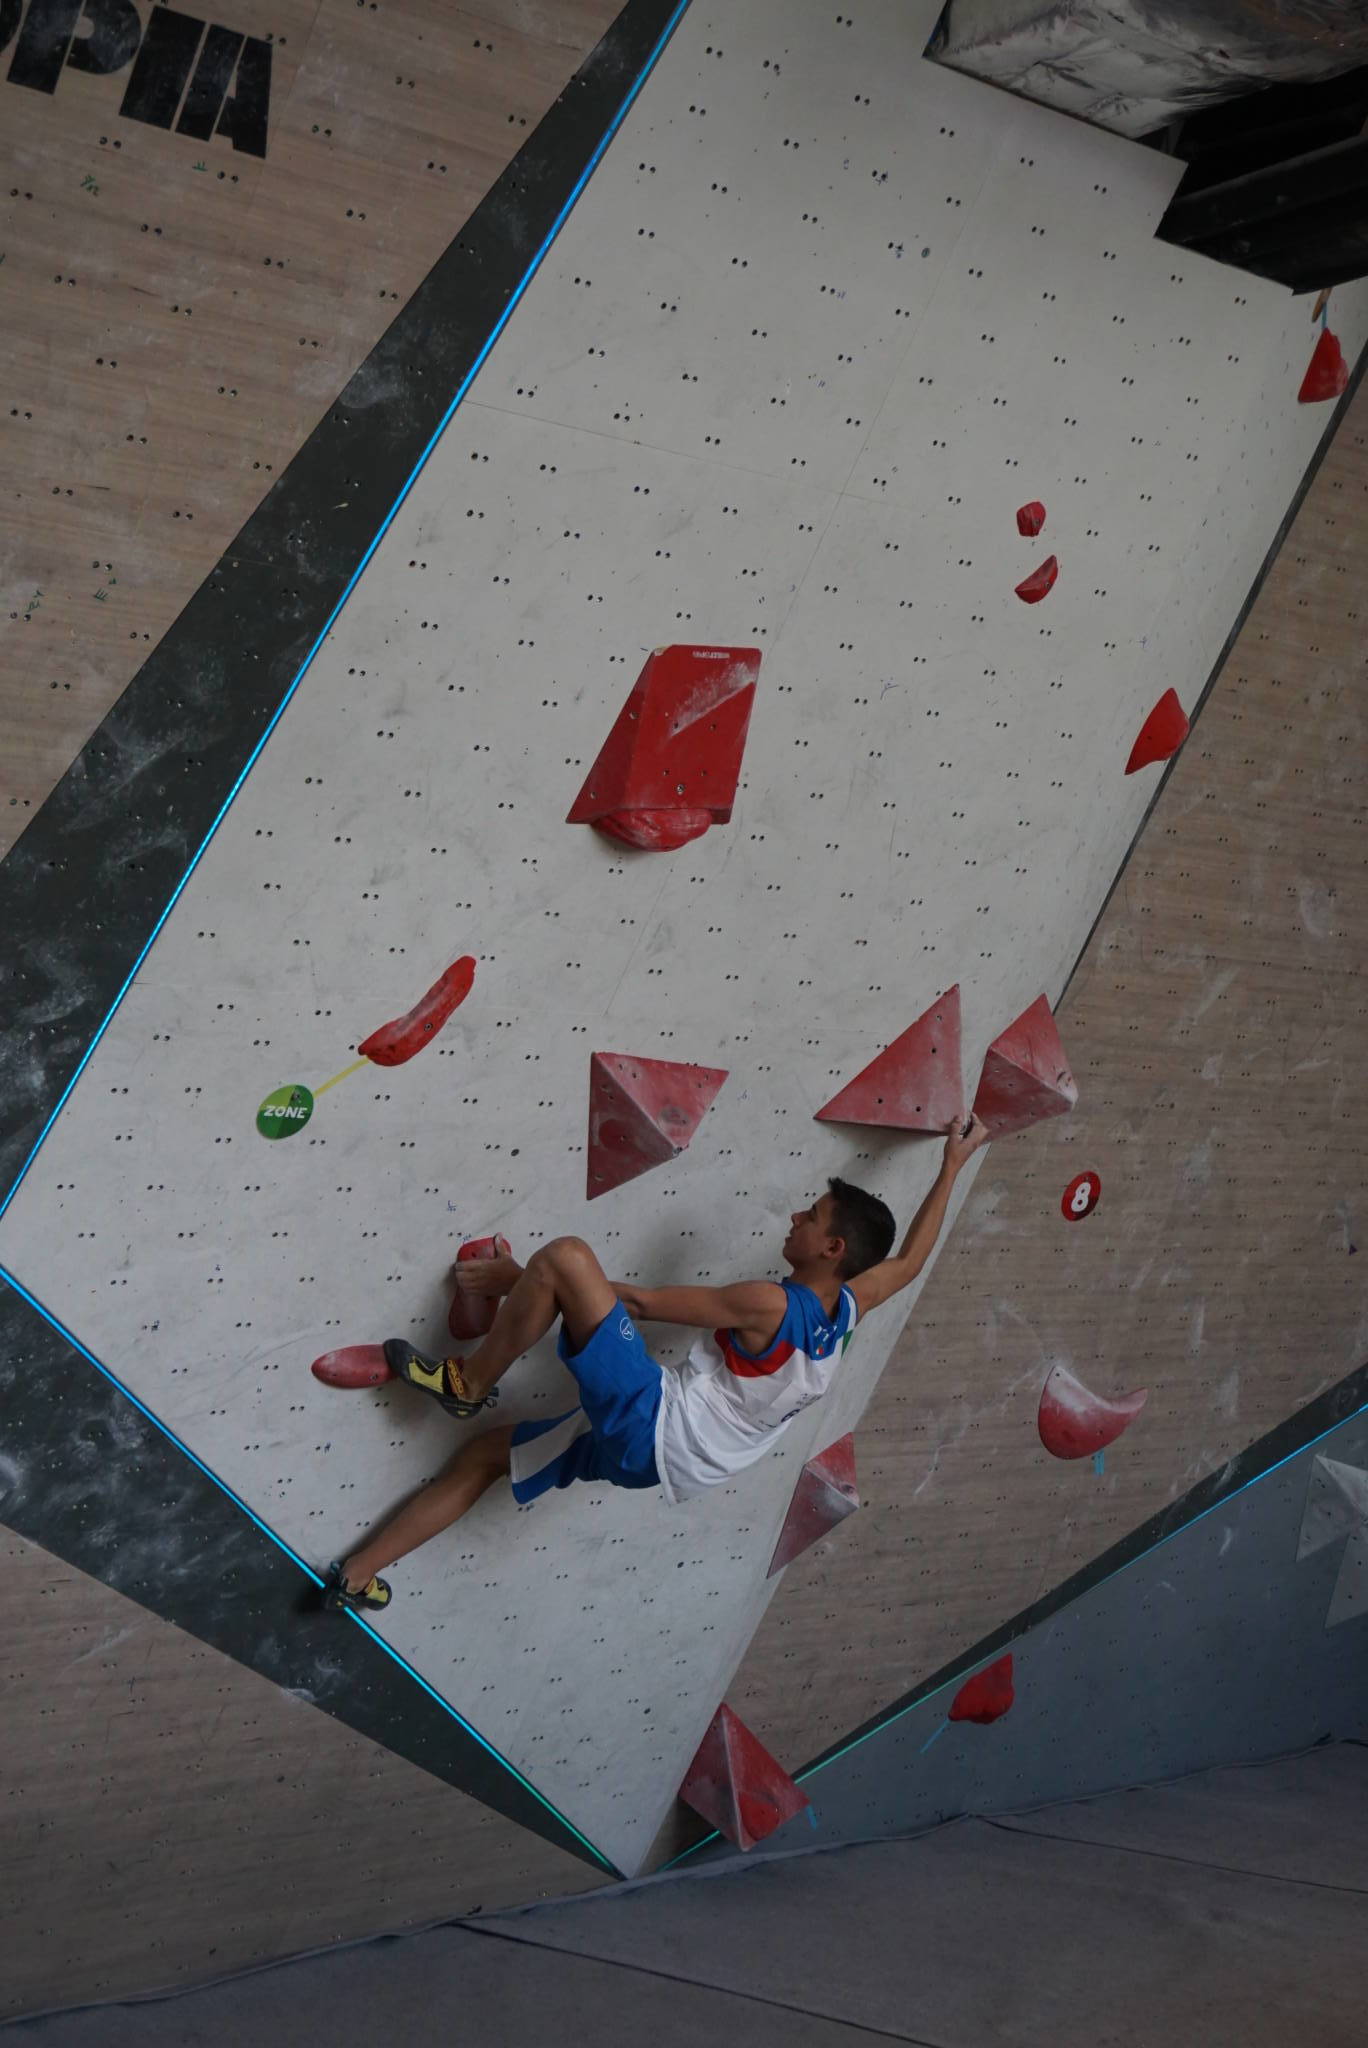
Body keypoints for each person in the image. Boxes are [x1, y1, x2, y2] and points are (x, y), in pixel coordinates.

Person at [322, 1113, 990, 1615]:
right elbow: (908, 1263)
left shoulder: (769, 1304)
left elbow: (637, 1301)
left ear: (831, 1247)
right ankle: (357, 1577)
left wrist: (519, 1275)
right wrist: (952, 1166)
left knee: (567, 1260)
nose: (795, 1217)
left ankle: (466, 1382)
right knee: (487, 1458)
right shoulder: (847, 1310)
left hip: (656, 1426)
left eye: (811, 1216)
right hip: (672, 1461)